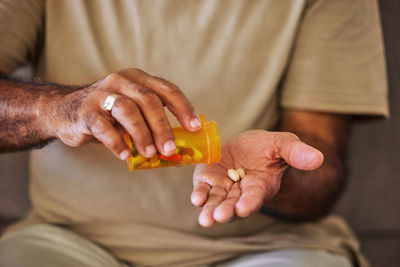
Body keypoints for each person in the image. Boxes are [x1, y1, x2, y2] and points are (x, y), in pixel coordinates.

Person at [0, 0, 388, 266]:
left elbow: (320, 166)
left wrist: (277, 172)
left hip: (266, 249)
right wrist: (55, 108)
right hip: (66, 241)